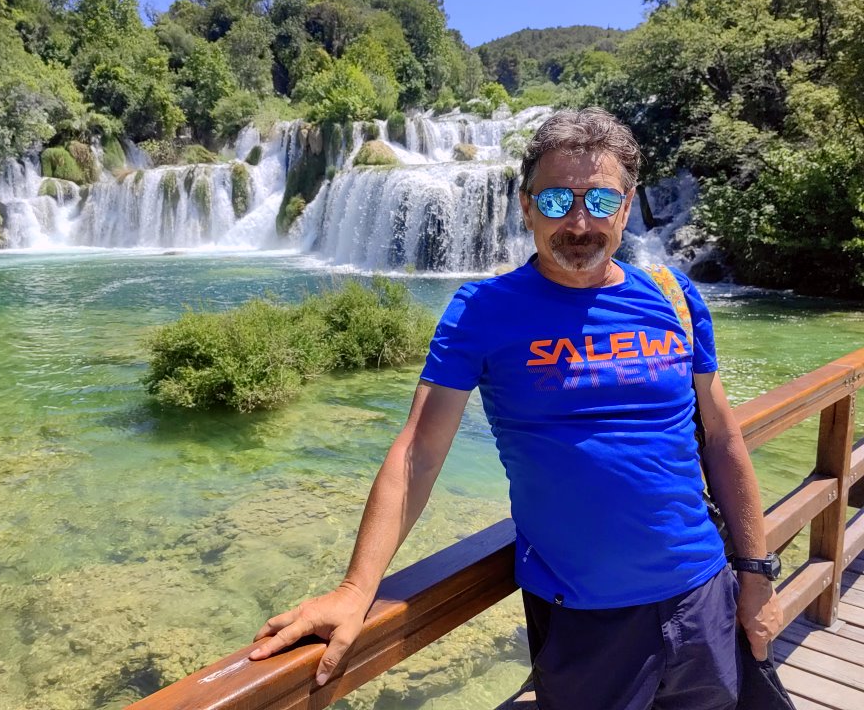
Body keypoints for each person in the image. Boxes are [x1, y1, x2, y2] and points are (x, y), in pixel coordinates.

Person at [250, 107, 783, 709]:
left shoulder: (673, 295)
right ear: (526, 207)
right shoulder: (481, 311)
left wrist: (756, 574)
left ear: (626, 206)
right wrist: (355, 589)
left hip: (703, 595)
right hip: (582, 617)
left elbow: (722, 439)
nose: (578, 222)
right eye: (555, 201)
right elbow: (418, 453)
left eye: (600, 200)